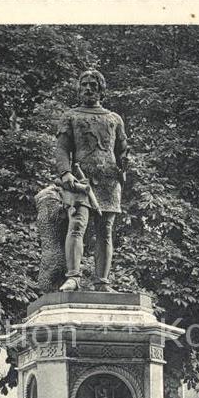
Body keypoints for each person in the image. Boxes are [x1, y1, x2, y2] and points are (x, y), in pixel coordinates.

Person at [55, 69, 128, 292]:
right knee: (77, 225)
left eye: (93, 85)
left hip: (108, 181)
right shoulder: (71, 116)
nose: (88, 88)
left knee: (105, 230)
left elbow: (122, 149)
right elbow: (62, 148)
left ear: (101, 90)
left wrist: (125, 160)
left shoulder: (114, 118)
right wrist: (65, 173)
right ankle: (73, 277)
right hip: (80, 180)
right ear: (79, 89)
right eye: (84, 85)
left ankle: (102, 282)